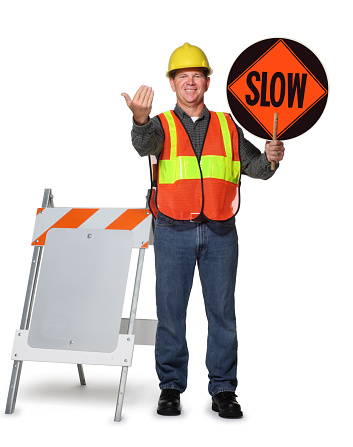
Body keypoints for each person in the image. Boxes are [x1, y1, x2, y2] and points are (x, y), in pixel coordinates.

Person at [122, 43, 284, 418]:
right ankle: (170, 388)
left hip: (220, 232)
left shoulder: (228, 125)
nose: (190, 82)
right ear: (173, 84)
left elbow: (255, 168)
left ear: (207, 83)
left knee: (222, 313)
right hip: (172, 230)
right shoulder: (159, 124)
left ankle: (224, 390)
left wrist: (271, 159)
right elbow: (143, 145)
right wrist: (141, 121)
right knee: (172, 312)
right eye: (183, 77)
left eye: (196, 76)